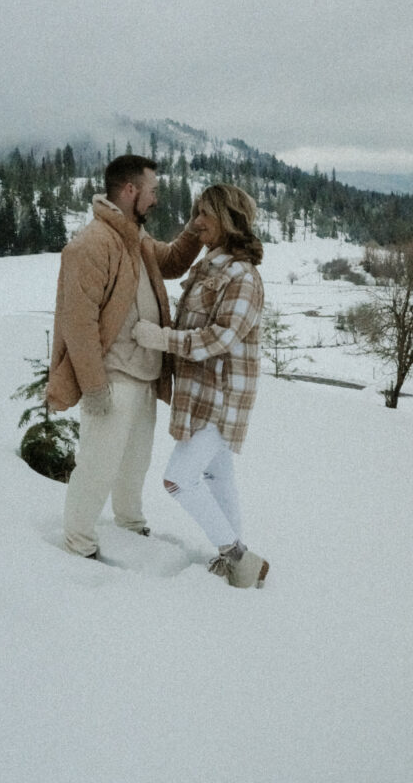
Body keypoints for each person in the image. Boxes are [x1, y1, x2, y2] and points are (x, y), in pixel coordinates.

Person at [46, 155, 202, 559]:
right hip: (113, 378)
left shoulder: (135, 237)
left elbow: (171, 261)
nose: (156, 198)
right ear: (130, 190)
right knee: (98, 465)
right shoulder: (91, 244)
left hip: (144, 374)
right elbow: (77, 324)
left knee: (135, 464)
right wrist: (95, 388)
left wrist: (196, 230)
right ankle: (78, 543)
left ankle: (130, 525)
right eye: (152, 190)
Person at [132, 183, 269, 589]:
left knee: (179, 479)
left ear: (228, 219)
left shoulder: (243, 277)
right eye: (195, 211)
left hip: (220, 397)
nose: (195, 222)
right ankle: (235, 561)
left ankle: (239, 558)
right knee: (216, 478)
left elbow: (221, 338)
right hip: (201, 392)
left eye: (204, 214)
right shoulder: (211, 266)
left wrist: (160, 338)